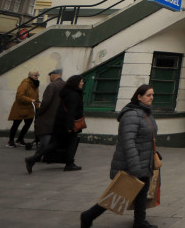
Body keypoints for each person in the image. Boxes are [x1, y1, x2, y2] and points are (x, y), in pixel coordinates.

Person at [81, 84, 159, 228]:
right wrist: (135, 166)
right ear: (139, 96)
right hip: (133, 162)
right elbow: (128, 142)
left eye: (152, 95)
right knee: (119, 194)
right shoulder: (131, 115)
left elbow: (148, 136)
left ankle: (139, 222)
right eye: (148, 95)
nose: (151, 97)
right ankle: (88, 215)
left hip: (144, 159)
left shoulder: (145, 112)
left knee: (142, 190)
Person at [36, 74, 85, 171]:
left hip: (61, 123)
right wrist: (70, 126)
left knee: (55, 144)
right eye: (81, 81)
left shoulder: (67, 93)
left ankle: (33, 158)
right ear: (76, 83)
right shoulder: (74, 95)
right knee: (71, 142)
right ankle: (70, 163)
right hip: (68, 124)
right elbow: (71, 112)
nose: (83, 83)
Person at [25, 68, 65, 170]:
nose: (50, 78)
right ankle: (34, 158)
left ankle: (33, 159)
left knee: (47, 142)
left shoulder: (52, 86)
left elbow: (46, 102)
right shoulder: (64, 85)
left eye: (50, 76)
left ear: (53, 75)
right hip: (58, 118)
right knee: (45, 142)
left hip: (48, 118)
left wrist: (39, 112)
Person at [6, 70, 40, 148]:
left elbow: (36, 97)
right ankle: (10, 141)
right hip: (20, 108)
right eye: (35, 75)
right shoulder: (25, 83)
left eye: (38, 75)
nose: (37, 76)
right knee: (16, 124)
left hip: (29, 108)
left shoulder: (35, 84)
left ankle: (20, 139)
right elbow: (19, 96)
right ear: (30, 76)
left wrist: (37, 107)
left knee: (28, 124)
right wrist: (30, 100)